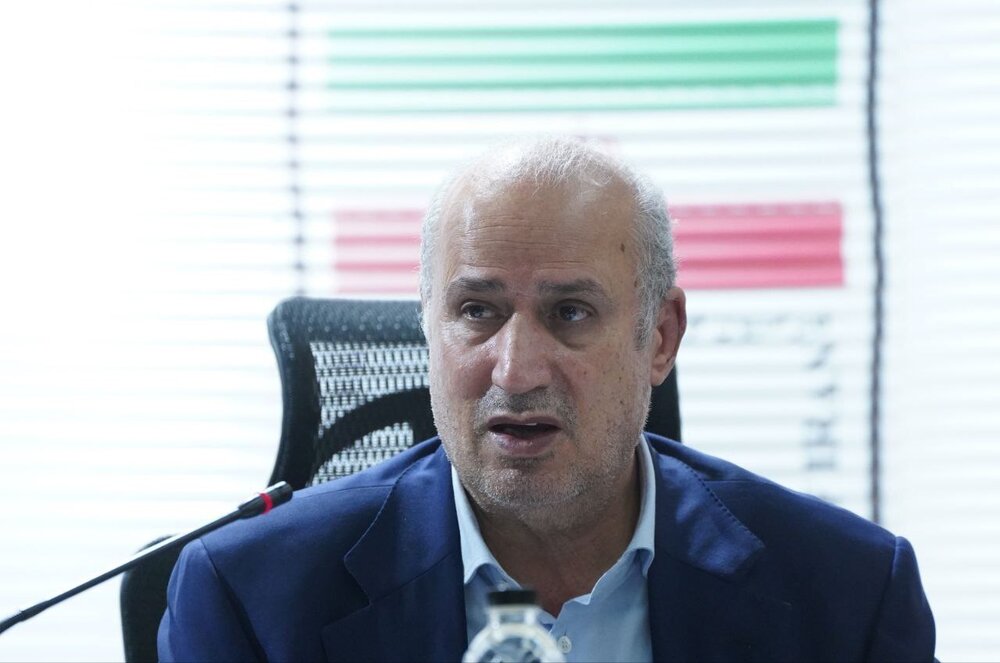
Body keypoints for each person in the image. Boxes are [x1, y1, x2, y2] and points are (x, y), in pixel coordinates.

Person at [159, 137, 935, 662]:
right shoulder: (250, 600)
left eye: (570, 312)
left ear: (660, 337)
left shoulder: (849, 596)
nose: (516, 368)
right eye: (477, 311)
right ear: (430, 327)